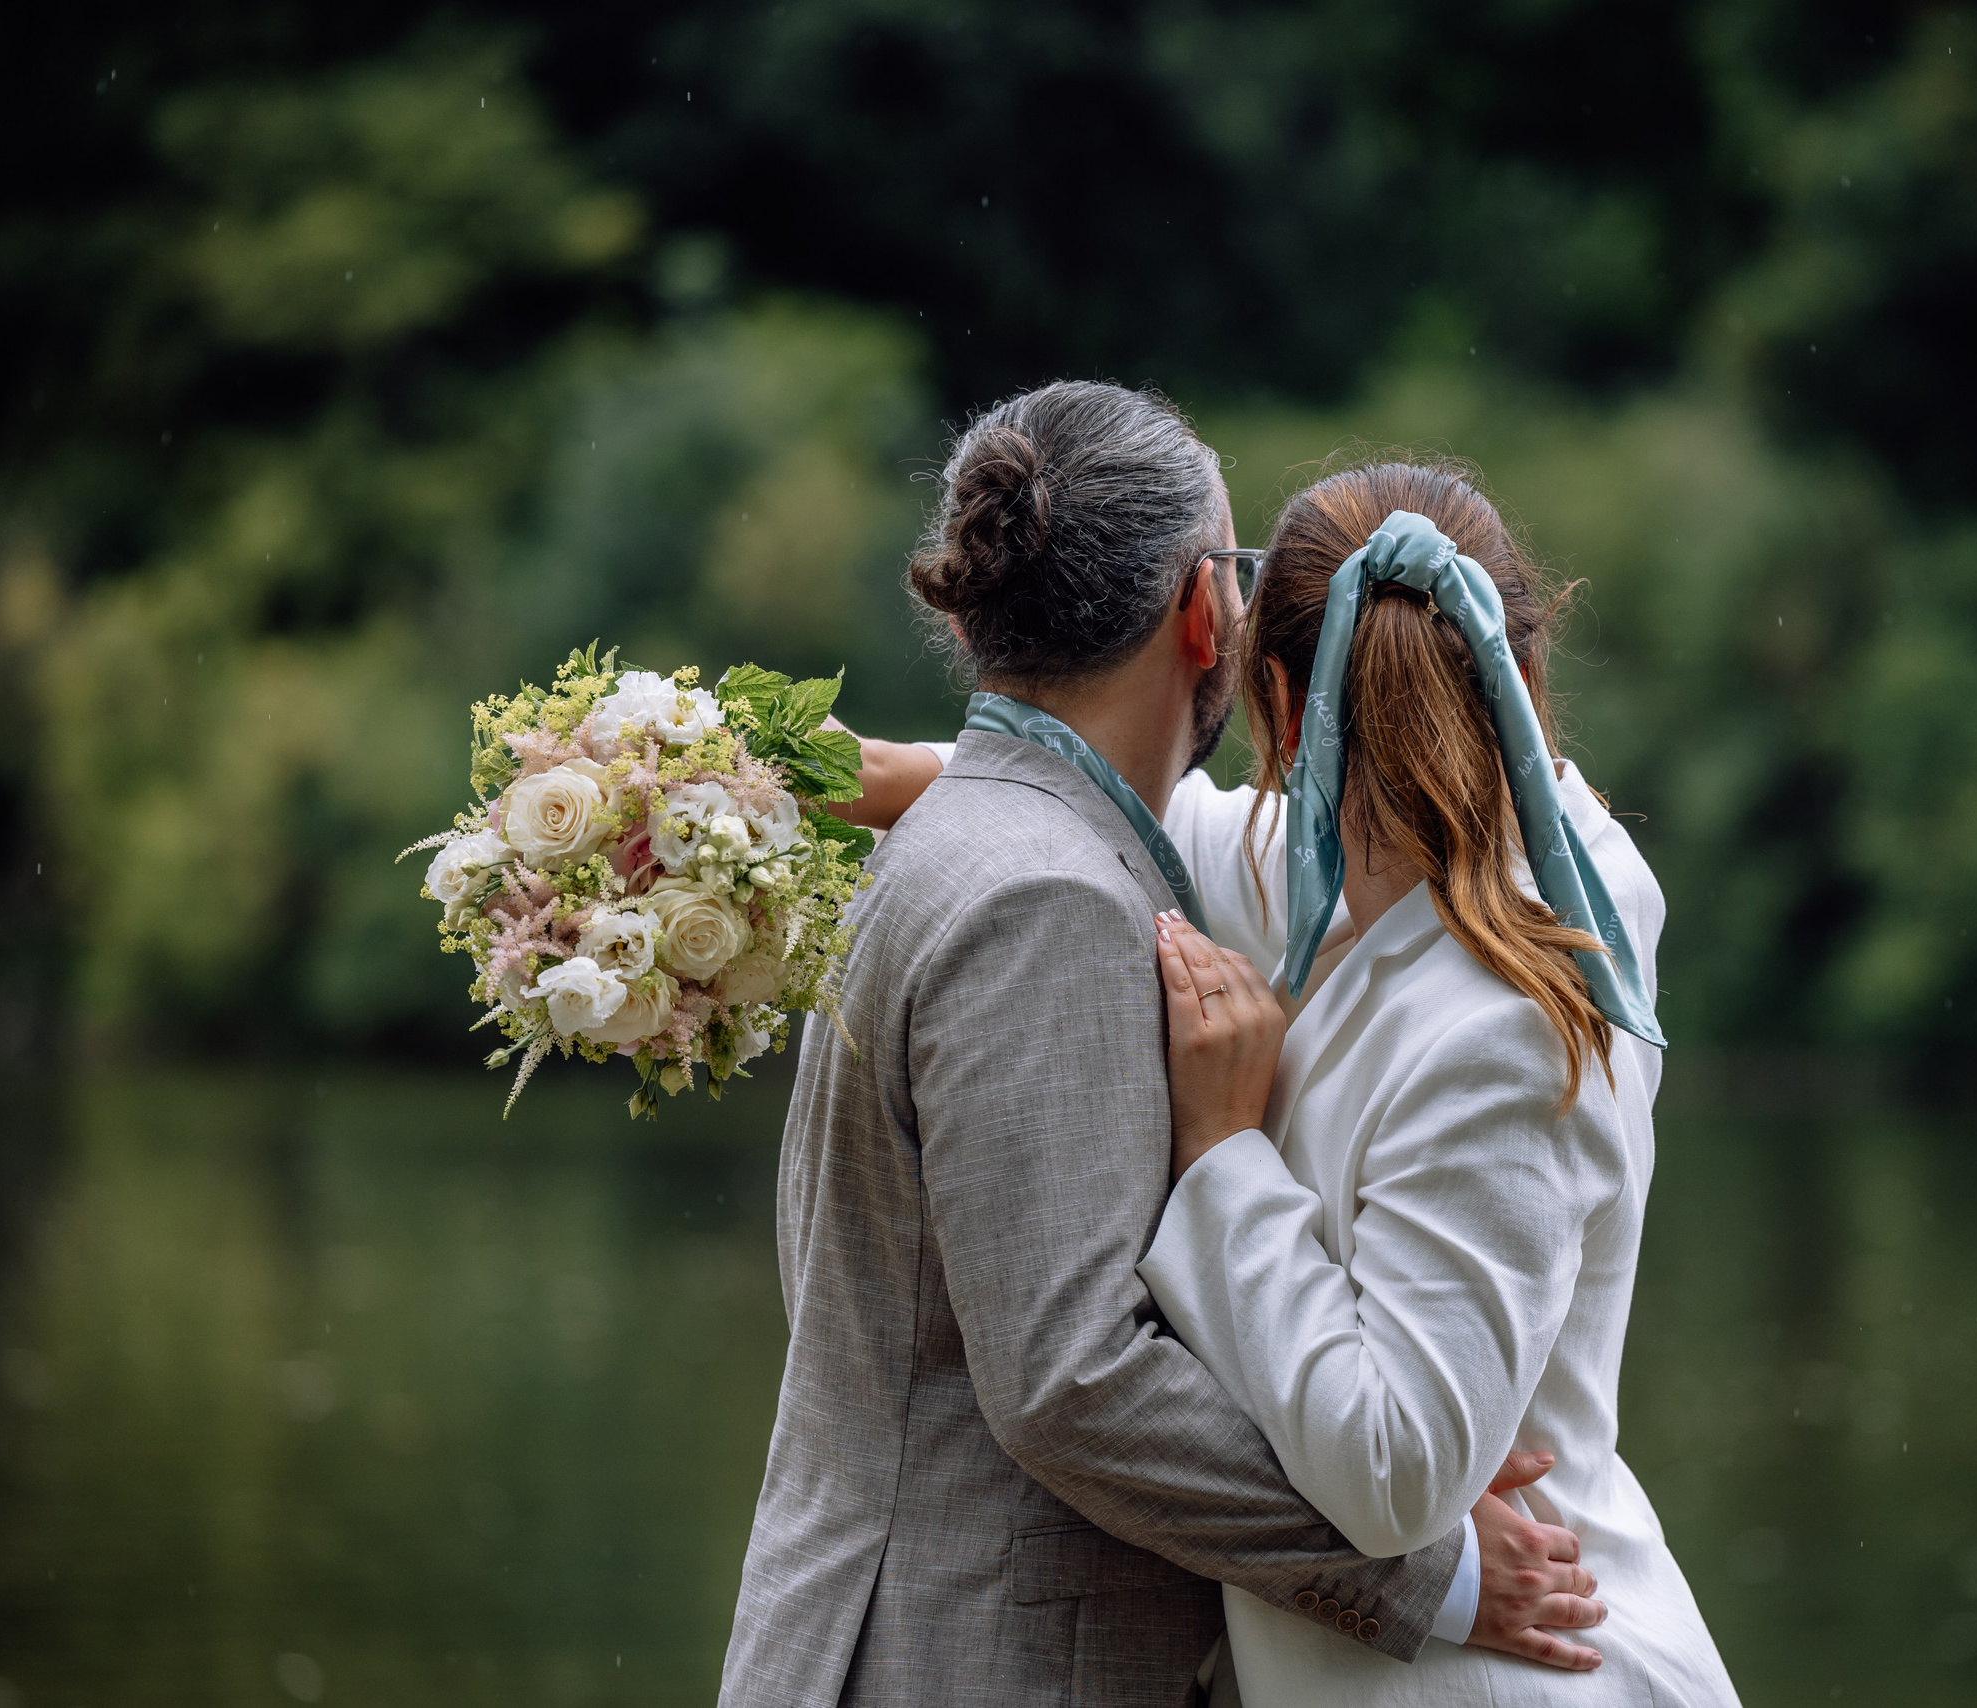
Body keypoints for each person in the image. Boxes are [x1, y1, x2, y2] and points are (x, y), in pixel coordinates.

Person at [719, 386, 1607, 1708]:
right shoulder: (1047, 901)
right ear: (1205, 612)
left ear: (977, 611)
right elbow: (1073, 1380)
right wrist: (1423, 1572)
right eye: (1241, 575)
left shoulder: (966, 845)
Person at [856, 461, 1741, 1705]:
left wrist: (1224, 1157)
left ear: (1271, 696)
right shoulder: (1308, 870)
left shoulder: (1511, 1012)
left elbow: (1395, 1474)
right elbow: (1154, 821)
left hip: (1499, 1678)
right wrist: (849, 776)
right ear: (1525, 678)